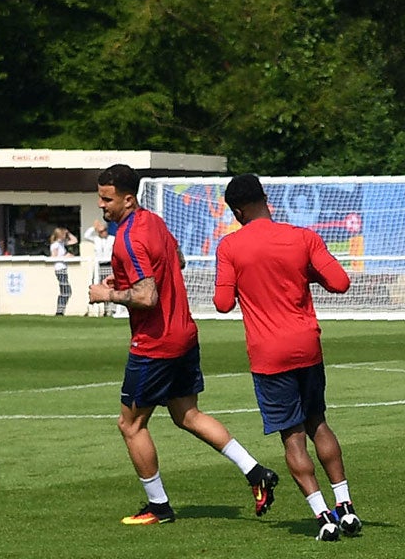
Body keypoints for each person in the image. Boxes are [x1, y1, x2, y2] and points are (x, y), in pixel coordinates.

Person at [87, 165, 281, 524]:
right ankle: (256, 472)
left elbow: (146, 297)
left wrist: (107, 293)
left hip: (155, 344)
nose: (101, 205)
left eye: (106, 198)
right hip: (184, 335)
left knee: (130, 425)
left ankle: (158, 506)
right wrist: (129, 278)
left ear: (128, 199)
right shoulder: (155, 222)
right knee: (187, 415)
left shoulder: (128, 238)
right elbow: (177, 260)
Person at [213, 174, 362, 542]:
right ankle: (345, 506)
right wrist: (302, 273)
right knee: (319, 424)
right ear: (266, 199)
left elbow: (222, 303)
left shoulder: (230, 246)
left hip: (269, 354)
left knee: (292, 437)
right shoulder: (304, 238)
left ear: (236, 211)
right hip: (306, 345)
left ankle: (322, 517)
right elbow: (340, 282)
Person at [49, 227, 75, 315]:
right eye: (64, 234)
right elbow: (53, 257)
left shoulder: (61, 244)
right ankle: (59, 311)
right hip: (59, 269)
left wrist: (69, 233)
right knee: (65, 290)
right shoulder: (55, 245)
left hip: (64, 268)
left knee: (66, 291)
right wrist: (65, 257)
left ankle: (61, 309)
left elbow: (74, 241)